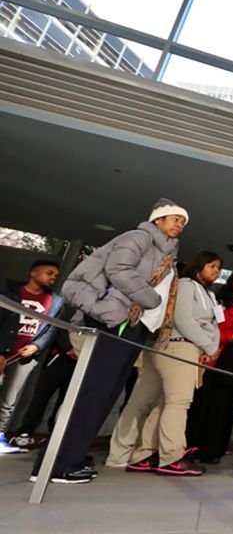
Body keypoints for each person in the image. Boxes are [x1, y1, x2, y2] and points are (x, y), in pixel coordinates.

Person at [32, 198, 186, 484]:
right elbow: (119, 269)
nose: (180, 223)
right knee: (92, 392)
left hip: (133, 325)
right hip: (116, 321)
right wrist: (150, 300)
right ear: (157, 219)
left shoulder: (166, 252)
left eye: (183, 221)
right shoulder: (138, 237)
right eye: (174, 218)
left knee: (104, 394)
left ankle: (71, 456)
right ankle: (55, 464)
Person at [124, 251, 221, 476]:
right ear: (199, 266)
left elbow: (214, 324)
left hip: (191, 347)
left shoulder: (209, 294)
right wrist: (208, 345)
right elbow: (183, 319)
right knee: (179, 402)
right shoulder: (186, 284)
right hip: (178, 346)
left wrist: (209, 347)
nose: (216, 271)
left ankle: (145, 454)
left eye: (218, 267)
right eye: (212, 266)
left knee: (165, 403)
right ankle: (172, 457)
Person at [186, 269, 233, 465]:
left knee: (226, 407)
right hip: (215, 357)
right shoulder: (220, 301)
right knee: (204, 404)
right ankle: (193, 447)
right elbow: (213, 327)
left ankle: (215, 450)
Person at [0, 260, 63, 453]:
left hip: (25, 357)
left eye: (55, 276)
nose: (53, 278)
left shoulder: (55, 301)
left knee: (9, 399)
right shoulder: (10, 294)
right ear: (34, 273)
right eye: (49, 273)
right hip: (3, 351)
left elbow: (51, 329)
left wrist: (36, 346)